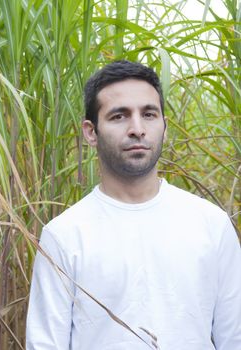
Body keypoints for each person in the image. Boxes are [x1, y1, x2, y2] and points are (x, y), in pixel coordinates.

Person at [26, 60, 241, 350]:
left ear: (164, 127)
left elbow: (234, 337)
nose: (137, 129)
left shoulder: (211, 224)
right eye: (119, 116)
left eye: (149, 114)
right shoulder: (64, 235)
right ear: (91, 132)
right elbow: (45, 344)